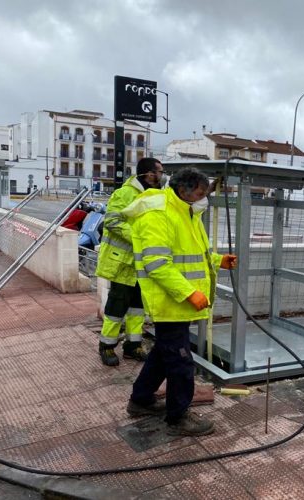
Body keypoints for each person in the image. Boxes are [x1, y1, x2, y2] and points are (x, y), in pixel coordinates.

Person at [122, 168, 236, 436]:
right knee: (181, 361)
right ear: (182, 189)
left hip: (180, 303)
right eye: (199, 193)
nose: (203, 198)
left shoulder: (186, 211)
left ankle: (140, 400)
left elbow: (195, 253)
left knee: (164, 354)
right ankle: (178, 417)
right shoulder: (158, 214)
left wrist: (218, 260)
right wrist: (188, 293)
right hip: (170, 302)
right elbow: (156, 264)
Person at [95, 158, 166, 366]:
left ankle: (132, 345)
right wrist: (140, 237)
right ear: (148, 174)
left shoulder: (154, 196)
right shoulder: (124, 194)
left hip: (141, 264)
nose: (161, 176)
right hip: (124, 262)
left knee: (137, 307)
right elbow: (112, 222)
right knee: (117, 306)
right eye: (159, 172)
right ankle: (106, 346)